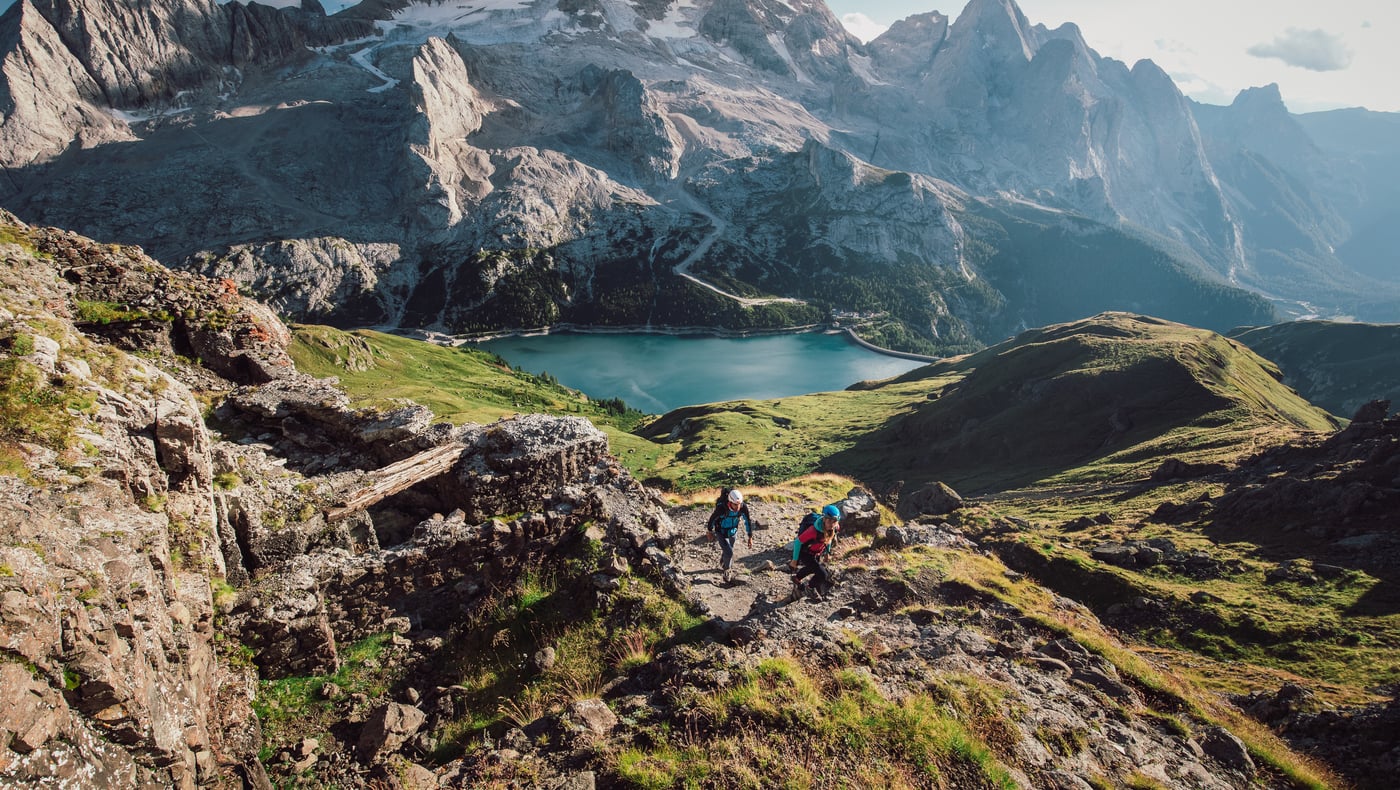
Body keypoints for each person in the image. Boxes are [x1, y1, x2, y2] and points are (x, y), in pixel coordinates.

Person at [789, 504, 841, 601]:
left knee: (812, 568)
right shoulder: (813, 530)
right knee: (823, 575)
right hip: (806, 553)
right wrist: (794, 560)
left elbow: (829, 539)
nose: (832, 524)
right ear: (824, 518)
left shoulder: (834, 528)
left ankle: (797, 578)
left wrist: (827, 553)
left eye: (834, 521)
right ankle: (810, 588)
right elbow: (797, 542)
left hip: (816, 552)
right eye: (829, 520)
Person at [707, 488, 753, 583]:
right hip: (721, 532)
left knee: (729, 550)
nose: (738, 507)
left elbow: (748, 521)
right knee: (729, 553)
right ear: (730, 502)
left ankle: (724, 561)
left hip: (733, 531)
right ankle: (727, 571)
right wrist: (709, 531)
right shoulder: (722, 509)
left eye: (739, 504)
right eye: (735, 505)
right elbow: (712, 519)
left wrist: (750, 536)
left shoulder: (743, 508)